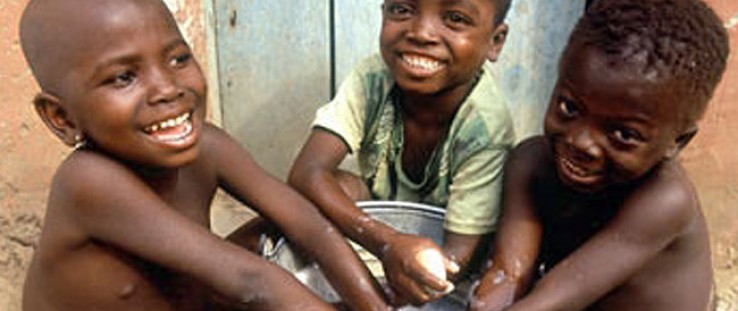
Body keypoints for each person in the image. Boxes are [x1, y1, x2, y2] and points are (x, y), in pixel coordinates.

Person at [18, 0, 392, 310]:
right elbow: (252, 279)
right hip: (230, 283)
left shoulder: (208, 145)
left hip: (195, 296)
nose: (168, 88)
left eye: (178, 59)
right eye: (123, 78)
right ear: (62, 118)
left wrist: (374, 307)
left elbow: (305, 222)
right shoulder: (88, 182)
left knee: (335, 193)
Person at [469, 0, 730, 310]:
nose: (581, 142)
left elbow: (555, 298)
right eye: (570, 107)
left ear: (678, 142)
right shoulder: (530, 165)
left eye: (624, 135)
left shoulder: (665, 200)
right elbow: (508, 274)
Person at [287, 0, 515, 306]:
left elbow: (456, 263)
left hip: (452, 248)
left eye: (455, 18)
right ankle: (245, 258)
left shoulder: (485, 128)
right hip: (378, 231)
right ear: (383, 11)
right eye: (402, 9)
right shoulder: (373, 79)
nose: (421, 33)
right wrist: (386, 243)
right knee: (327, 190)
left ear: (495, 41)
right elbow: (307, 172)